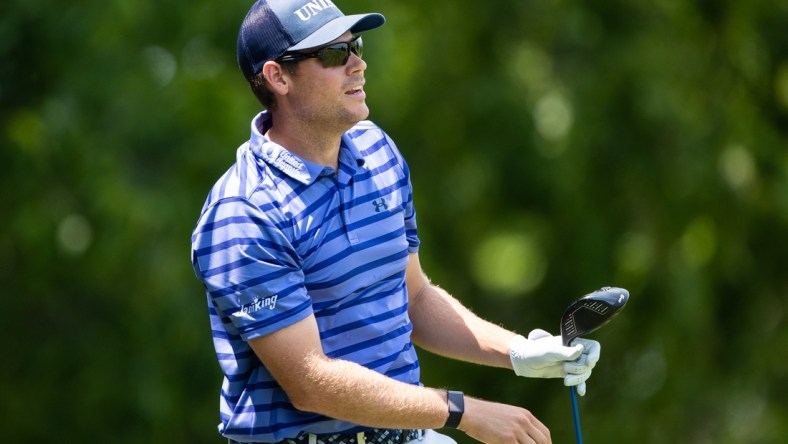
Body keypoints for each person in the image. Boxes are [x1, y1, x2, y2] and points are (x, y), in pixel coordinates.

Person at [190, 1, 602, 443]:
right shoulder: (243, 213)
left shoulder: (377, 151)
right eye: (332, 55)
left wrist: (519, 352)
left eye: (356, 46)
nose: (358, 65)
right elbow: (310, 384)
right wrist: (461, 411)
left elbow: (415, 297)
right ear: (278, 77)